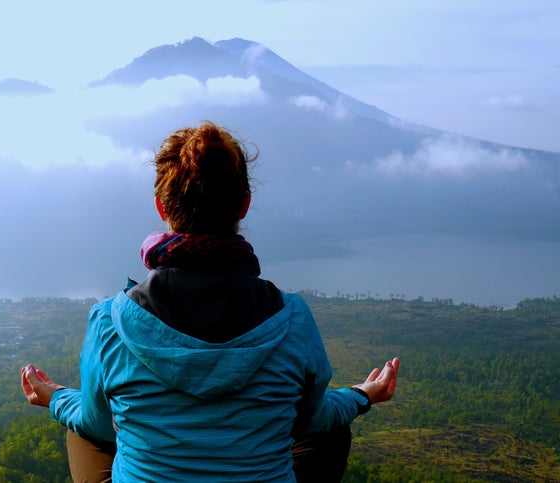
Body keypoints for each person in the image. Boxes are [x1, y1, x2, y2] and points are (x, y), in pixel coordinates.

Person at [21, 122, 400, 482]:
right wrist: (359, 396)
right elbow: (310, 421)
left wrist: (57, 398)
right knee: (330, 432)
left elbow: (98, 424)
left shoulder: (112, 321)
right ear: (244, 205)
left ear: (162, 207)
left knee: (84, 432)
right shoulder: (292, 318)